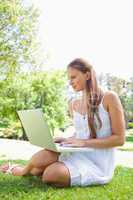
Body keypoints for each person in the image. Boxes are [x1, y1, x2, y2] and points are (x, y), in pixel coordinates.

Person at [0, 58, 125, 187]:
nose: (70, 82)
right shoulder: (74, 104)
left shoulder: (109, 97)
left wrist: (83, 143)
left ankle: (30, 170)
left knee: (50, 174)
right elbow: (82, 134)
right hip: (77, 154)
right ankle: (24, 171)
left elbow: (119, 139)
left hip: (97, 163)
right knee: (44, 156)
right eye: (69, 79)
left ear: (87, 75)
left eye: (73, 77)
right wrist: (65, 139)